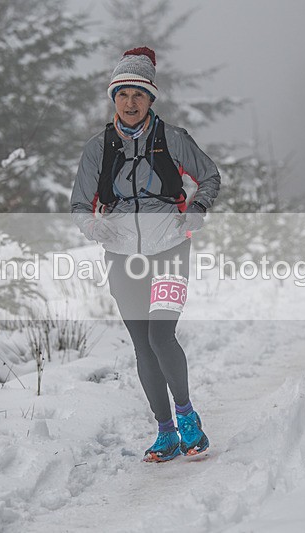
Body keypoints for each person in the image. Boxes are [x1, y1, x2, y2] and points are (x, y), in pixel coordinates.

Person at [70, 47, 220, 463]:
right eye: (122, 94)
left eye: (138, 94)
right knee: (142, 344)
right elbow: (80, 203)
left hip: (170, 246)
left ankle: (188, 418)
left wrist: (197, 210)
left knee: (160, 335)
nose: (130, 102)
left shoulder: (173, 139)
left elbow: (209, 176)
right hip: (122, 256)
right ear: (113, 99)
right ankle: (165, 432)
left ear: (150, 99)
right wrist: (93, 227)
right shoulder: (98, 147)